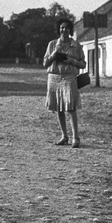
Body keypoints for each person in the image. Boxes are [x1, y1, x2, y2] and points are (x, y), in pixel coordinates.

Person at [43, 18, 87, 147]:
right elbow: (45, 63)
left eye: (67, 28)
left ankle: (76, 137)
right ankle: (64, 136)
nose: (64, 30)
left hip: (69, 78)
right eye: (62, 27)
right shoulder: (52, 44)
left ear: (70, 30)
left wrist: (72, 61)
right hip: (54, 77)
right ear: (58, 29)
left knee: (71, 107)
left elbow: (83, 63)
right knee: (58, 108)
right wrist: (54, 55)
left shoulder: (76, 45)